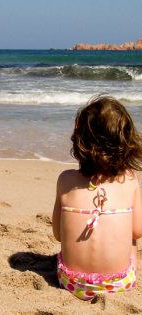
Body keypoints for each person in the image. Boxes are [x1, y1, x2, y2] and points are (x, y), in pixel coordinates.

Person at [52, 95, 142, 300]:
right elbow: (138, 230)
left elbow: (58, 234)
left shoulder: (65, 181)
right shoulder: (129, 179)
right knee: (132, 240)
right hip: (119, 284)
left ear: (79, 140)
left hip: (71, 283)